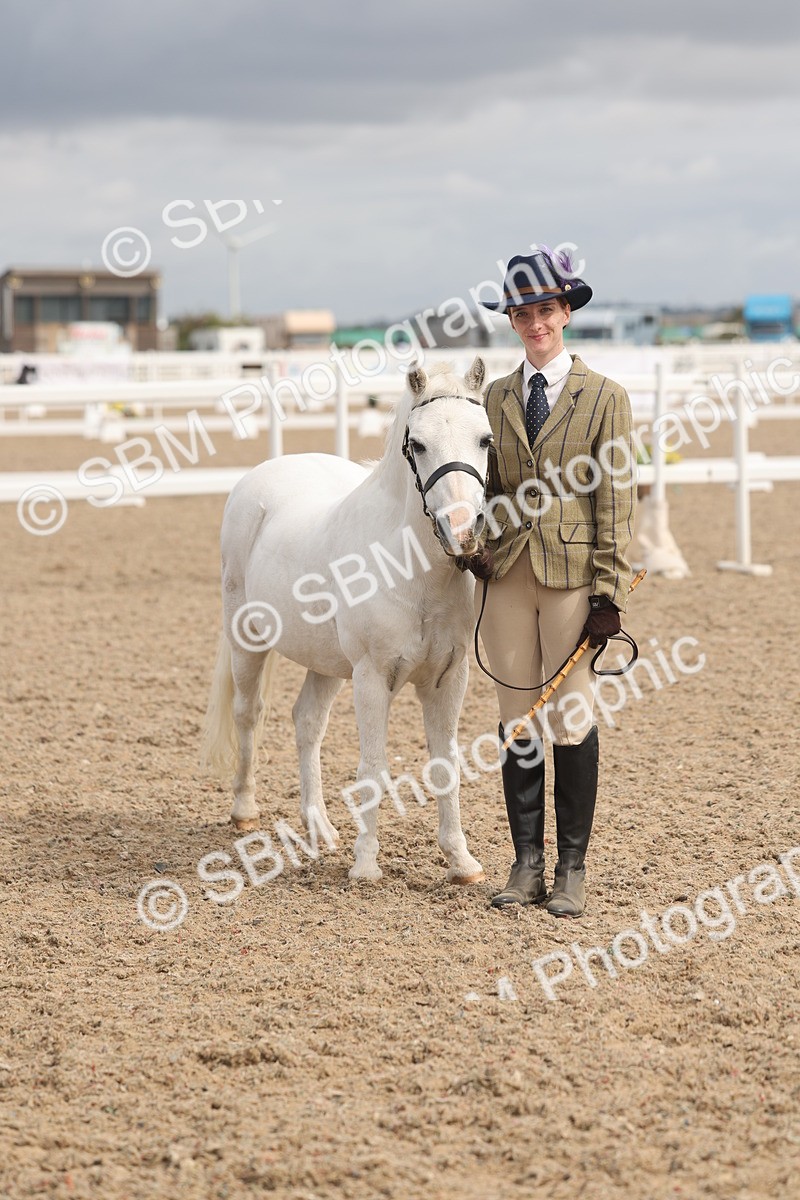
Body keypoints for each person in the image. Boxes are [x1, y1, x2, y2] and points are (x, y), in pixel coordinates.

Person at [476, 247, 636, 917]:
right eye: (523, 313)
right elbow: (493, 487)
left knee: (570, 718)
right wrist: (477, 545)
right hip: (509, 573)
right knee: (517, 720)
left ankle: (571, 868)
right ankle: (526, 864)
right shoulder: (495, 396)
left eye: (546, 310)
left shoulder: (604, 398)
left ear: (566, 312)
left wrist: (609, 592)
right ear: (512, 320)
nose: (535, 322)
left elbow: (616, 497)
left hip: (572, 576)